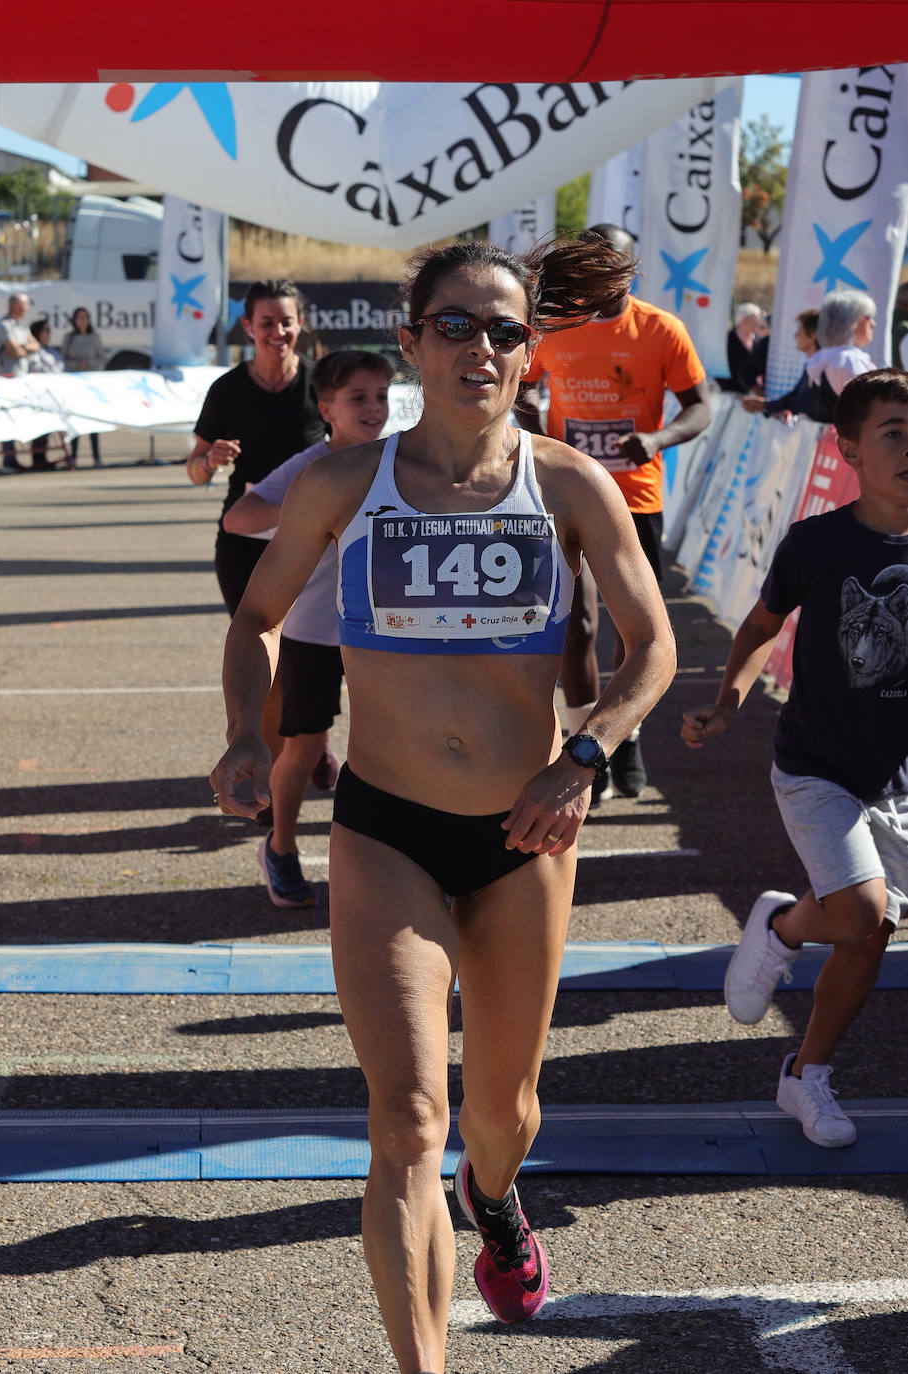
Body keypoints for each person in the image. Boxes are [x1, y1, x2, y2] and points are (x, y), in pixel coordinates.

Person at [210, 239, 676, 1372]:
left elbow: (650, 646)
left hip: (527, 836)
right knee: (404, 1121)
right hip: (385, 830)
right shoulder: (339, 480)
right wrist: (241, 732)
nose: (479, 347)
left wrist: (582, 757)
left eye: (502, 329)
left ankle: (496, 1195)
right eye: (453, 325)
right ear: (412, 338)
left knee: (500, 1114)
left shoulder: (566, 482)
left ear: (529, 350)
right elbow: (253, 619)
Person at [681, 368, 908, 1149]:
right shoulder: (815, 542)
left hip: (900, 782)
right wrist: (726, 702)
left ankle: (802, 1075)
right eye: (893, 433)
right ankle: (781, 925)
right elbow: (755, 629)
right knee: (860, 912)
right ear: (845, 448)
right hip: (816, 767)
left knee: (867, 932)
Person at [517, 221, 709, 798]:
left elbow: (701, 406)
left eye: (612, 267)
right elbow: (522, 384)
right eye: (590, 266)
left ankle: (626, 739)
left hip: (636, 496)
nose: (600, 278)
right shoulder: (556, 328)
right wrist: (530, 411)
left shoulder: (660, 330)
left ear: (631, 269)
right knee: (577, 624)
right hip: (566, 494)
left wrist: (655, 441)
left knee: (636, 630)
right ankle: (585, 746)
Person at [223, 349, 394, 907]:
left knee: (391, 746)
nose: (373, 408)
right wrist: (305, 506)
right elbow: (239, 517)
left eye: (381, 396)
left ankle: (398, 858)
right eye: (358, 398)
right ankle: (281, 847)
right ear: (326, 409)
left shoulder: (401, 460)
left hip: (386, 631)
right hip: (313, 631)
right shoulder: (310, 467)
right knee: (302, 748)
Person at [187, 279, 326, 777]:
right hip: (244, 539)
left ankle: (311, 742)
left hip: (310, 541)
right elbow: (194, 466)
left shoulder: (317, 384)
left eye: (286, 321)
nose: (278, 331)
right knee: (267, 658)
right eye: (266, 322)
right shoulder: (227, 389)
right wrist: (211, 461)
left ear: (300, 324)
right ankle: (267, 759)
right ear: (248, 327)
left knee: (310, 652)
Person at [806, 288, 876, 422]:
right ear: (851, 321)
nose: (873, 323)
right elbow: (871, 409)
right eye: (868, 317)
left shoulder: (826, 356)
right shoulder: (847, 361)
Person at [742, 309, 820, 421]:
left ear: (812, 337)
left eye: (799, 331)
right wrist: (765, 404)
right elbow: (796, 398)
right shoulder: (813, 363)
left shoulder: (822, 365)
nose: (795, 336)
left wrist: (766, 405)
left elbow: (802, 402)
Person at [0, 292, 39, 472]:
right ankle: (8, 459)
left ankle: (32, 456)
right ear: (15, 306)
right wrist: (25, 348)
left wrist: (24, 348)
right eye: (24, 305)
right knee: (7, 416)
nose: (27, 309)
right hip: (6, 379)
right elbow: (13, 352)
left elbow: (35, 346)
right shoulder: (4, 326)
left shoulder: (22, 326)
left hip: (21, 378)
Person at [61, 306, 108, 467]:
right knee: (75, 419)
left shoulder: (94, 337)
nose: (82, 320)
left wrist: (88, 364)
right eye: (79, 317)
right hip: (74, 383)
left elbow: (102, 359)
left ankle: (96, 456)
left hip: (91, 383)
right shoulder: (69, 338)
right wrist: (76, 365)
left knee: (93, 420)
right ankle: (73, 456)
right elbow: (63, 360)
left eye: (85, 317)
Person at [27, 319, 66, 470]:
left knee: (49, 426)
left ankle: (42, 457)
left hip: (52, 395)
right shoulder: (31, 351)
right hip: (36, 394)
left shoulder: (52, 351)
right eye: (46, 330)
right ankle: (37, 457)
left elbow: (60, 367)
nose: (49, 333)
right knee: (39, 427)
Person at [725, 302, 767, 393]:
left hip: (753, 393)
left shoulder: (758, 340)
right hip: (732, 393)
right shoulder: (727, 340)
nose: (758, 321)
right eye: (756, 318)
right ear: (744, 320)